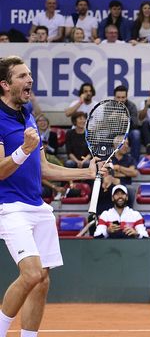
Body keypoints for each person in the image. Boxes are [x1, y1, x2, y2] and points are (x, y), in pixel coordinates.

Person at [0, 55, 101, 337]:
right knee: (31, 273)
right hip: (10, 207)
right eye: (21, 76)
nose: (29, 79)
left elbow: (44, 167)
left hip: (37, 205)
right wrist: (22, 150)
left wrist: (86, 173)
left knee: (42, 279)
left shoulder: (28, 113)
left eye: (29, 74)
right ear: (5, 85)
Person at [113, 85, 141, 160]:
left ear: (126, 97)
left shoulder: (132, 106)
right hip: (114, 133)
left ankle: (134, 162)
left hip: (128, 132)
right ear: (114, 97)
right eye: (118, 97)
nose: (121, 100)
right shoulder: (108, 106)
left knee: (136, 133)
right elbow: (104, 125)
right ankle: (105, 162)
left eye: (123, 97)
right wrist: (112, 118)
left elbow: (135, 124)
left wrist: (127, 119)